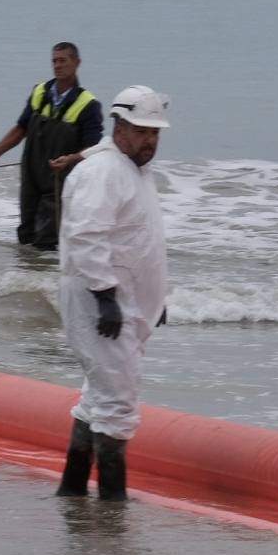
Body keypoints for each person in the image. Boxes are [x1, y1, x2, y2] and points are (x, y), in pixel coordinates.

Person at [54, 85, 170, 502]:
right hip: (100, 303)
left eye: (156, 133)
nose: (150, 140)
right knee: (118, 405)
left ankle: (71, 492)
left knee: (98, 399)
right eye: (142, 131)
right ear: (119, 126)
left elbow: (137, 242)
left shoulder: (133, 170)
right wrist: (105, 296)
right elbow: (86, 235)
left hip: (124, 303)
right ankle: (111, 507)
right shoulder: (103, 171)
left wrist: (156, 299)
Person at [0, 41, 102, 250]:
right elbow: (20, 129)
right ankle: (23, 280)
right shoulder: (40, 92)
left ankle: (48, 280)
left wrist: (70, 159)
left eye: (63, 61)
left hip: (61, 184)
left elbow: (94, 152)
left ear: (77, 63)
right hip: (31, 178)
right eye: (54, 61)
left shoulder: (89, 105)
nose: (58, 65)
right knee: (26, 235)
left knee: (47, 242)